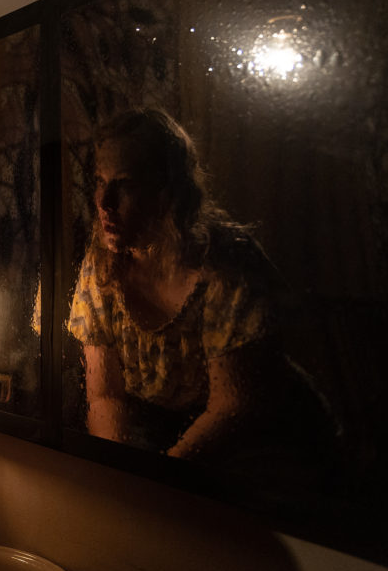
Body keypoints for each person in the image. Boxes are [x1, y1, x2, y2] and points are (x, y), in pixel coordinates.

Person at [67, 108, 332, 474]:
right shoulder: (102, 264)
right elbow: (104, 394)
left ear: (166, 190)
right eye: (99, 181)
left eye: (124, 184)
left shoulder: (222, 262)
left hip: (261, 437)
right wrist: (120, 470)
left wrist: (161, 476)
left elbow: (233, 405)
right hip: (162, 430)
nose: (104, 202)